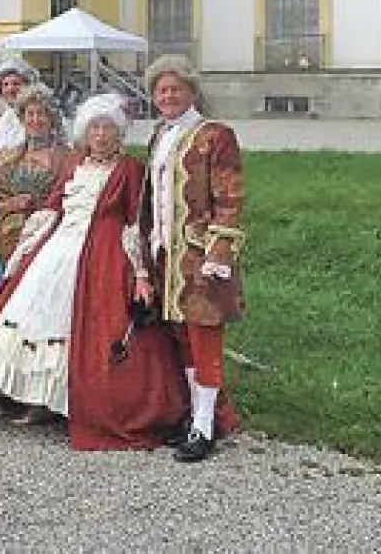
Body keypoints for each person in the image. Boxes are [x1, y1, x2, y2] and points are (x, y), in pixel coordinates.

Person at [0, 94, 188, 448]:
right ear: (85, 133)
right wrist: (28, 245)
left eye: (107, 128)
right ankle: (34, 398)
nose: (100, 134)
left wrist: (140, 272)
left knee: (85, 324)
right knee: (33, 310)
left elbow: (134, 222)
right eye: (94, 128)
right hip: (60, 245)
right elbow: (54, 206)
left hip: (105, 252)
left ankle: (71, 401)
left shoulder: (129, 169)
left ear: (119, 133)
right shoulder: (75, 164)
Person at [140, 55, 246, 463]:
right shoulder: (159, 135)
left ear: (191, 92)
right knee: (181, 335)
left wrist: (219, 250)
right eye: (161, 90)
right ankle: (197, 417)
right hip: (166, 252)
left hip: (200, 253)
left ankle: (204, 426)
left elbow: (230, 197)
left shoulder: (214, 135)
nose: (167, 96)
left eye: (175, 89)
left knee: (205, 334)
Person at [0, 87, 73, 329]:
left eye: (41, 114)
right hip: (6, 238)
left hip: (45, 238)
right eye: (30, 114)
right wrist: (12, 204)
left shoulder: (66, 157)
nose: (35, 120)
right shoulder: (11, 156)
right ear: (22, 118)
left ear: (52, 119)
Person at [0, 59, 38, 171]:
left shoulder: (37, 116)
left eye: (16, 84)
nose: (10, 89)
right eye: (5, 85)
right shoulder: (1, 120)